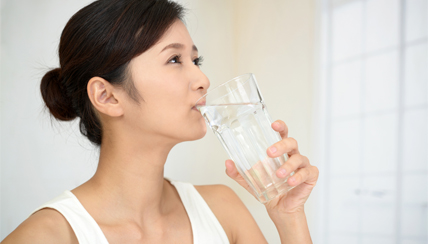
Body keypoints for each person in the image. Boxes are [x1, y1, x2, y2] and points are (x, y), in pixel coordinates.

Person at [1, 0, 319, 243]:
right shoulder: (47, 236)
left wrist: (288, 217)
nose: (203, 79)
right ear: (107, 96)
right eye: (173, 59)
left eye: (195, 60)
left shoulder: (223, 210)